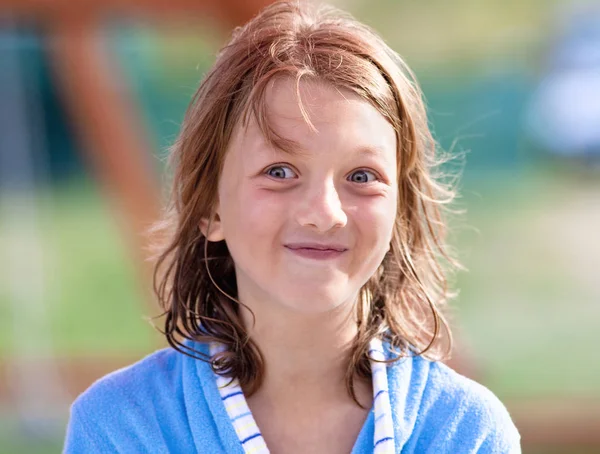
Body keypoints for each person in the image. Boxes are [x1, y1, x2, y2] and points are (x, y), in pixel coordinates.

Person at [63, 1, 521, 452]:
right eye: (279, 172)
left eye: (361, 177)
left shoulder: (464, 431)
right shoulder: (122, 428)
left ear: (399, 214)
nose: (324, 213)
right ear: (210, 208)